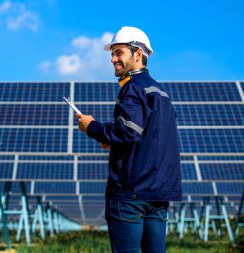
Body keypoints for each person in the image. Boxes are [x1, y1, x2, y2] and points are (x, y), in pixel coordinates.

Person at [76, 26, 182, 253]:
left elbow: (127, 132)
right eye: (112, 54)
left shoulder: (133, 88)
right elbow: (149, 140)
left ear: (138, 55)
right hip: (157, 194)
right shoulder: (161, 93)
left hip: (130, 195)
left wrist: (91, 127)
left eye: (119, 52)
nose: (113, 59)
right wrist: (113, 142)